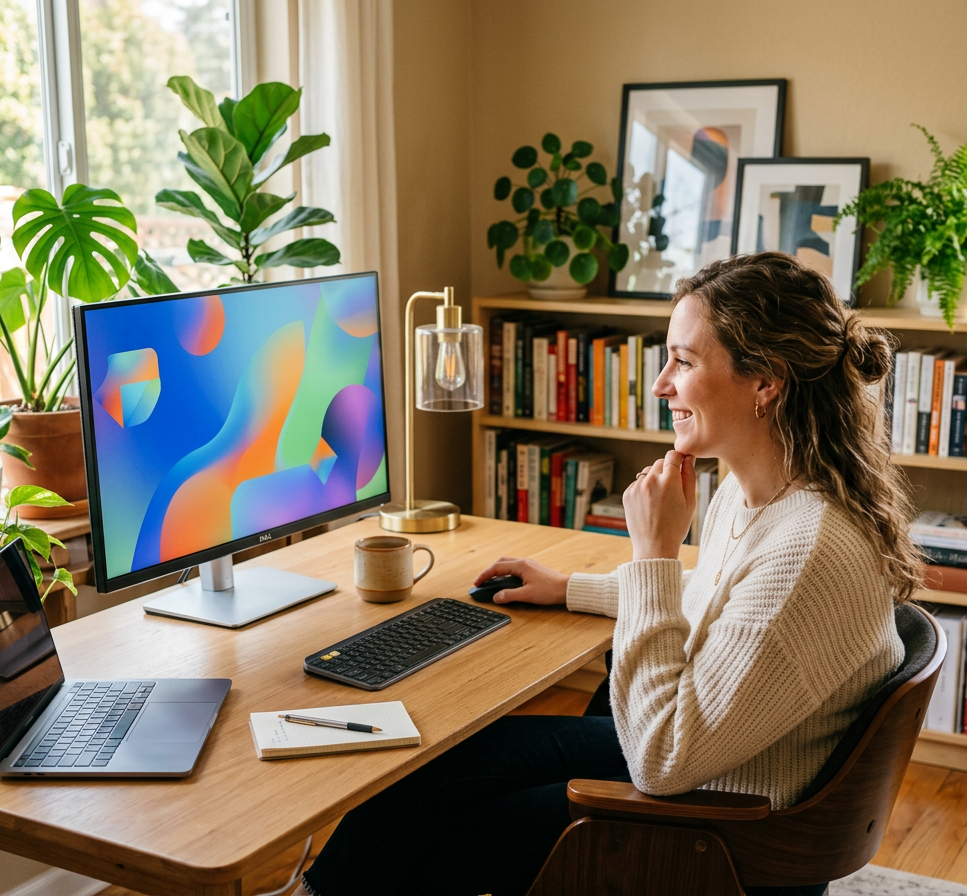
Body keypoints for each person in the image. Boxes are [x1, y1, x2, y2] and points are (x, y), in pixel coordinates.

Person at [296, 252, 923, 896]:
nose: (660, 384)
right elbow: (721, 606)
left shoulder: (809, 550)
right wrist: (570, 587)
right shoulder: (761, 488)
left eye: (684, 360)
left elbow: (660, 760)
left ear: (766, 382)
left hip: (722, 830)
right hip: (720, 759)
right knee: (438, 768)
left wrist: (652, 552)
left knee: (435, 837)